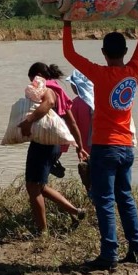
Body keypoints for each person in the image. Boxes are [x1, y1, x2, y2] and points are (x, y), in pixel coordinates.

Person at [63, 20, 138, 270]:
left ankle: (109, 255)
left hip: (105, 147)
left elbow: (69, 54)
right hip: (126, 147)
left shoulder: (99, 73)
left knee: (104, 200)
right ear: (125, 52)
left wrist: (68, 23)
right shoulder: (134, 69)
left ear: (103, 53)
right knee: (125, 199)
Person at [18, 62, 89, 236]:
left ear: (39, 76)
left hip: (43, 145)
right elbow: (71, 122)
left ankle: (42, 233)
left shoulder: (48, 88)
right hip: (54, 146)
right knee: (39, 186)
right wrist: (80, 146)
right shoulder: (59, 90)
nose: (34, 84)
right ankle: (75, 211)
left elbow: (48, 102)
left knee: (32, 188)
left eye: (34, 79)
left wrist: (28, 121)